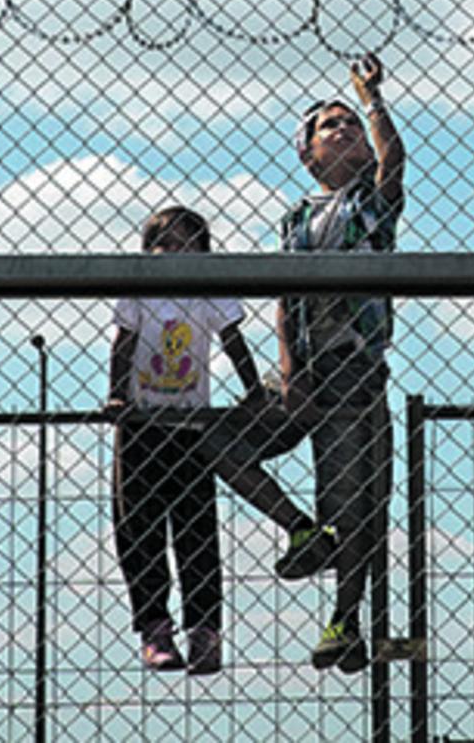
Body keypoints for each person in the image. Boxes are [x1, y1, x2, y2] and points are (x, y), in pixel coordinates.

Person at [206, 52, 404, 672]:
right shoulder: (296, 218)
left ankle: (345, 620)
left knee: (355, 502)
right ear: (308, 156)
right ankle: (299, 527)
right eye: (329, 125)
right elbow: (286, 298)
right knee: (213, 439)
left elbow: (394, 163)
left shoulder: (369, 204)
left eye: (351, 125)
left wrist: (372, 100)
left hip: (351, 370)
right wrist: (289, 373)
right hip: (302, 370)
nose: (343, 129)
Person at [106, 205, 264, 675]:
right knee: (139, 528)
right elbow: (123, 344)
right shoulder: (140, 288)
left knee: (197, 531)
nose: (174, 253)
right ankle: (155, 627)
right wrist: (117, 396)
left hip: (191, 426)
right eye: (164, 244)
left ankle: (204, 630)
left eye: (185, 245)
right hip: (141, 425)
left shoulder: (205, 290)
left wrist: (254, 390)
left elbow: (233, 338)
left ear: (202, 253)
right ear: (148, 251)